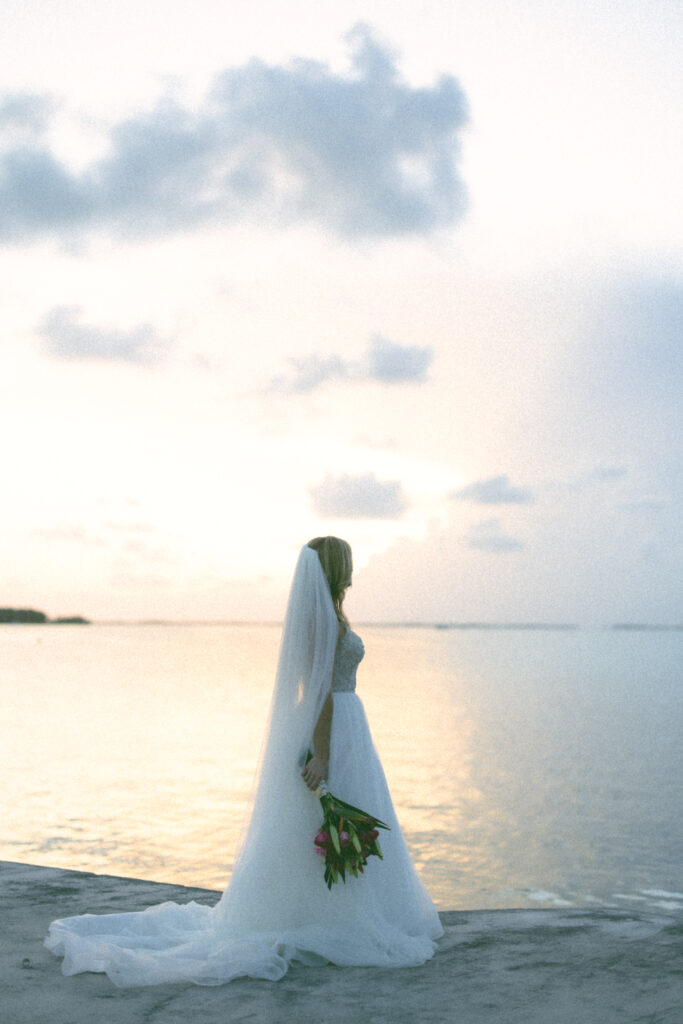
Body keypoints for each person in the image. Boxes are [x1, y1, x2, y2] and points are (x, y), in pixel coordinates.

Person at [45, 538, 443, 986]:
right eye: (348, 560)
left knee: (334, 821)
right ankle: (331, 916)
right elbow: (321, 691)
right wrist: (323, 753)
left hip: (349, 724)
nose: (353, 567)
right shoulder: (324, 619)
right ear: (337, 566)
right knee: (324, 819)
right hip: (334, 726)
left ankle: (345, 909)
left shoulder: (331, 611)